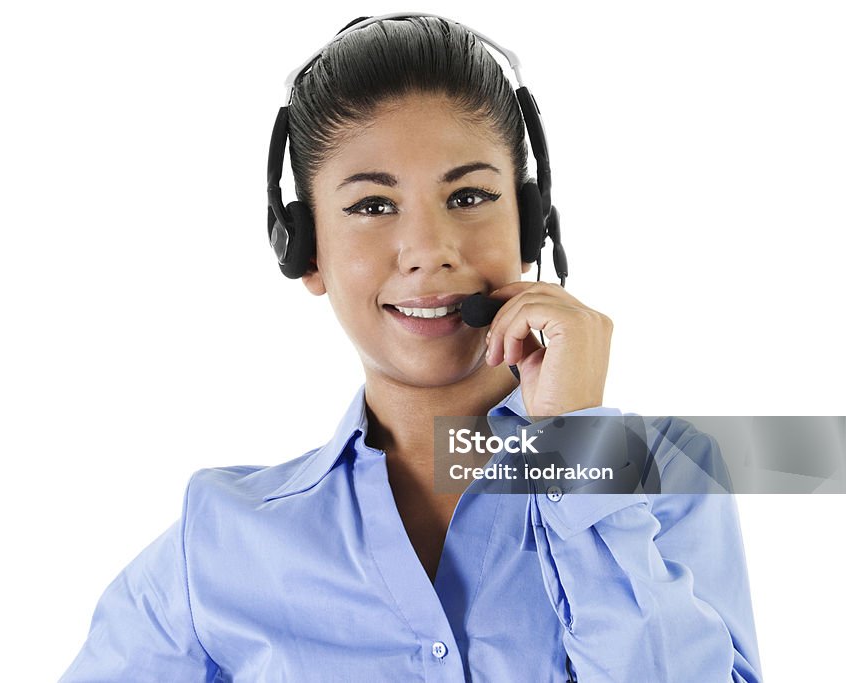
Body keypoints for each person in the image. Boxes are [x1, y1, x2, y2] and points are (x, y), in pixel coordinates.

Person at [59, 13, 762, 682]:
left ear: (530, 223)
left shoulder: (668, 474)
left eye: (468, 197)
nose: (429, 251)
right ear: (304, 250)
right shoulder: (219, 542)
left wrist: (574, 447)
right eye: (372, 206)